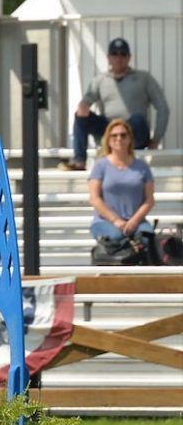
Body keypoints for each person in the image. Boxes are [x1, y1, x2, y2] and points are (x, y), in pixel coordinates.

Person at [60, 38, 169, 171]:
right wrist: (83, 107)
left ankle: (118, 141)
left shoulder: (143, 78)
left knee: (138, 119)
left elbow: (163, 108)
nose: (119, 58)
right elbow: (86, 102)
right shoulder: (100, 80)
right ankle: (79, 160)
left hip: (135, 133)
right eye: (115, 54)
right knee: (80, 114)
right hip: (110, 130)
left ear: (129, 57)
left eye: (123, 54)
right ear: (108, 57)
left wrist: (156, 139)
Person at [88, 118, 160, 264]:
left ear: (130, 139)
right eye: (114, 135)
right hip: (105, 221)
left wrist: (134, 221)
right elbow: (94, 198)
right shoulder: (100, 166)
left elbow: (149, 200)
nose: (119, 138)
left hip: (137, 221)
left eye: (123, 135)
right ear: (108, 140)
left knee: (147, 237)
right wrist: (116, 220)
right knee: (116, 237)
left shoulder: (142, 167)